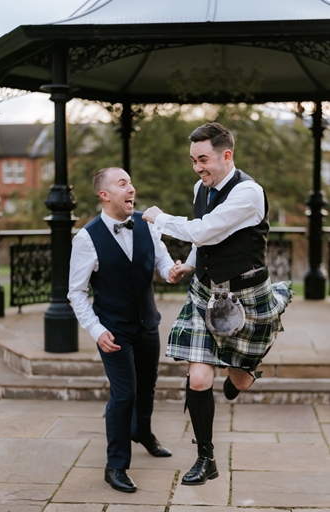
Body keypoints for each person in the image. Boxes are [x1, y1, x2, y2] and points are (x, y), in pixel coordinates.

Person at [143, 122, 293, 486]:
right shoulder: (202, 187)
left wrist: (158, 218)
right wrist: (190, 264)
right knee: (198, 377)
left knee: (239, 381)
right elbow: (205, 238)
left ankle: (239, 377)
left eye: (204, 159)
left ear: (227, 155)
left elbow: (204, 230)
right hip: (206, 293)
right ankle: (205, 458)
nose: (198, 168)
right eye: (194, 160)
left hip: (247, 296)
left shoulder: (249, 193)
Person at [68, 167, 183, 494]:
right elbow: (76, 292)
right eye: (122, 184)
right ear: (104, 195)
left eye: (131, 183)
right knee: (124, 394)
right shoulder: (87, 238)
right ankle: (115, 465)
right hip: (113, 332)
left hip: (148, 323)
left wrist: (171, 270)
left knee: (147, 386)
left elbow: (161, 262)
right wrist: (96, 330)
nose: (131, 188)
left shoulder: (147, 222)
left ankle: (143, 432)